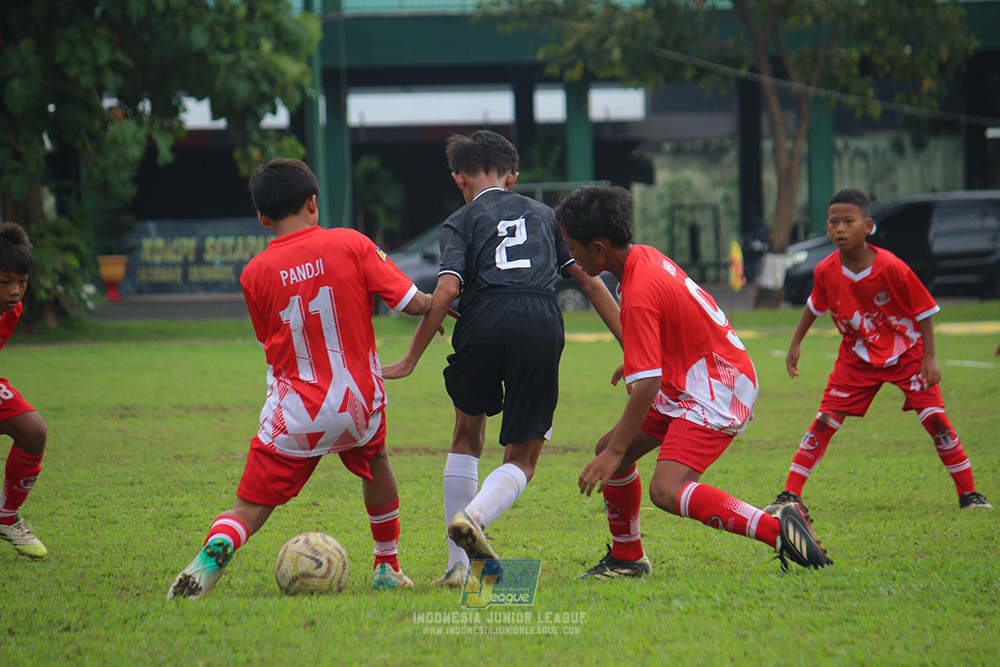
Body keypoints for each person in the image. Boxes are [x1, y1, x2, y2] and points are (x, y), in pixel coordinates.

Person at [168, 159, 435, 600]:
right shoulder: (351, 242)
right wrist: (436, 302)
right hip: (357, 401)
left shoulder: (254, 273)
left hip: (297, 410)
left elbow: (270, 346)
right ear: (314, 202)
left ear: (262, 218)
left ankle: (221, 545)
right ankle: (387, 565)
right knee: (376, 460)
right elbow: (410, 302)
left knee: (250, 505)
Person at [383, 131, 622, 587]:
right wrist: (634, 349)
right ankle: (475, 517)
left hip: (481, 321)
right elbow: (592, 284)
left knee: (466, 435)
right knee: (522, 456)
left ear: (459, 178)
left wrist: (411, 358)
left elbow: (448, 290)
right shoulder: (546, 216)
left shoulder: (458, 221)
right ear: (512, 177)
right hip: (538, 319)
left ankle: (458, 566)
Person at [555, 184, 832, 578]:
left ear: (599, 248)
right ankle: (627, 558)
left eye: (573, 247)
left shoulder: (638, 288)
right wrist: (641, 359)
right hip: (689, 377)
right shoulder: (642, 258)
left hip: (717, 387)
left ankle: (777, 528)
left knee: (665, 488)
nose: (571, 255)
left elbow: (646, 385)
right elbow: (669, 328)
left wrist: (616, 451)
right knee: (611, 450)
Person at [763, 188, 992, 515]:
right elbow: (815, 304)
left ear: (867, 226)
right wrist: (796, 342)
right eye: (833, 223)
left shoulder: (891, 267)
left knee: (937, 421)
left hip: (907, 354)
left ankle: (969, 494)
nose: (839, 229)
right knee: (825, 420)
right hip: (856, 358)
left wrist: (929, 357)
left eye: (848, 221)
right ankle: (789, 494)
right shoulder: (826, 270)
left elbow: (925, 310)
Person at [0, 223, 48, 559]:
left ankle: (5, 515)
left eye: (22, 283)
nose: (15, 291)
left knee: (33, 431)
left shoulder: (12, 311)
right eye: (5, 283)